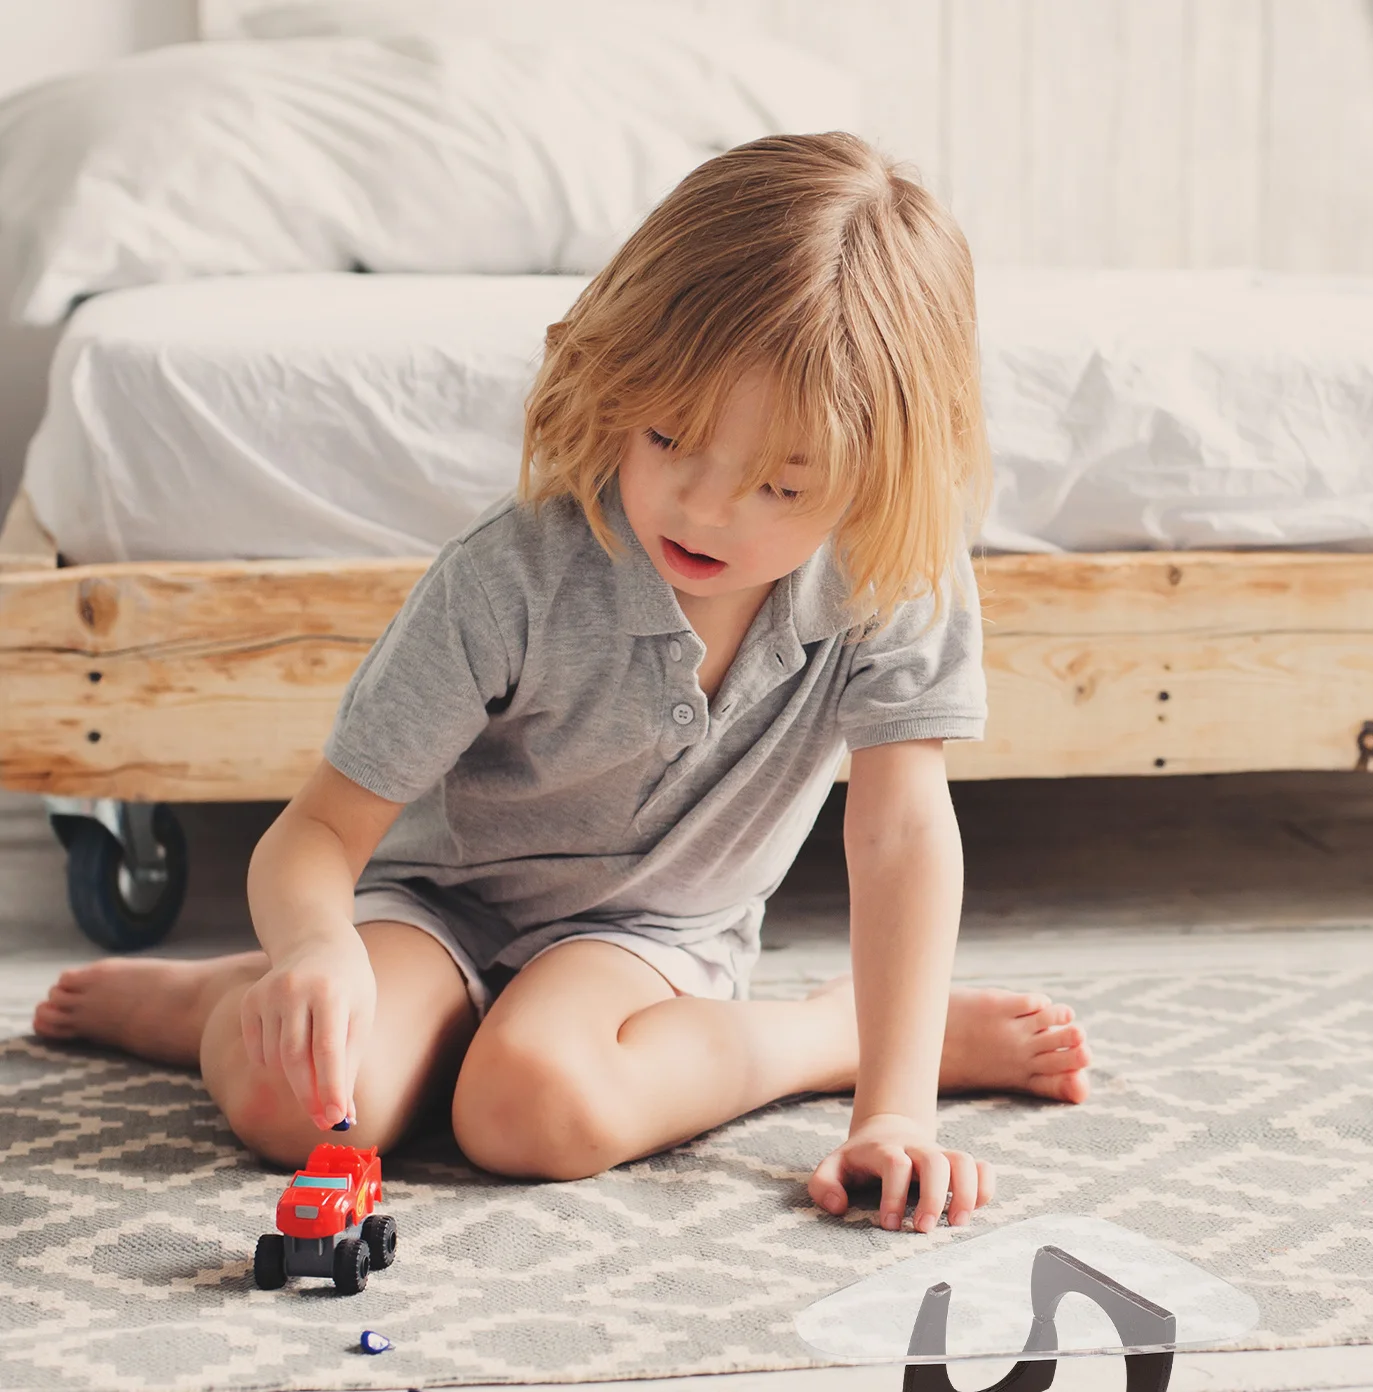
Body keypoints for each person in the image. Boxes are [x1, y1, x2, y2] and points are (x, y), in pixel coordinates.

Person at [32, 132, 1091, 1234]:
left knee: (529, 1113)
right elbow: (317, 834)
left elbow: (901, 834)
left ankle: (834, 1033)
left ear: (878, 478)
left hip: (652, 936)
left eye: (781, 486)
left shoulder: (895, 571)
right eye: (668, 436)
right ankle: (224, 993)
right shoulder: (512, 575)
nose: (702, 508)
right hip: (435, 903)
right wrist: (313, 947)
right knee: (295, 1104)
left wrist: (896, 1108)